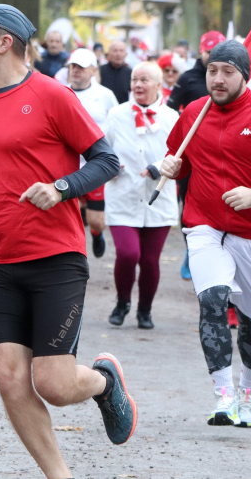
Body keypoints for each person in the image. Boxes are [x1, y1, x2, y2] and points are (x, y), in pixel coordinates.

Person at [0, 4, 137, 479]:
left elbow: (105, 161)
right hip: (0, 264)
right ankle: (60, 476)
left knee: (53, 384)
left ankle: (103, 382)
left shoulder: (52, 96)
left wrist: (61, 188)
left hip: (57, 260)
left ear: (4, 42)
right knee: (9, 379)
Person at [160, 40, 251, 427]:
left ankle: (249, 390)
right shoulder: (193, 112)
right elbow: (179, 158)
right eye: (212, 71)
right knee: (212, 301)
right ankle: (223, 395)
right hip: (204, 224)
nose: (218, 79)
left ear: (245, 75)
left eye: (227, 72)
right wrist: (173, 167)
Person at [104, 62, 179, 329]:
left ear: (158, 86)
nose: (138, 85)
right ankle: (122, 301)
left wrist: (158, 168)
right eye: (135, 79)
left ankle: (144, 310)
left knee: (149, 260)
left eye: (144, 80)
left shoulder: (172, 118)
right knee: (128, 254)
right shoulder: (116, 115)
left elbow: (180, 155)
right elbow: (101, 149)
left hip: (158, 199)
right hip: (122, 195)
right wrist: (109, 166)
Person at [166, 30, 225, 283]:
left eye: (216, 52)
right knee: (187, 205)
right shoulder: (188, 78)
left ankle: (212, 252)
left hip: (220, 154)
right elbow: (168, 110)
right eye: (208, 52)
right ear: (200, 51)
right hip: (191, 153)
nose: (211, 56)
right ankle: (192, 249)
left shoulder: (230, 80)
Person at [67, 48, 119, 258]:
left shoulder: (105, 96)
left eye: (81, 67)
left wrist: (116, 160)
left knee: (96, 219)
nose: (76, 71)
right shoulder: (59, 91)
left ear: (93, 70)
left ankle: (97, 234)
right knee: (66, 214)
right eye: (73, 66)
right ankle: (72, 253)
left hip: (96, 164)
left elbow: (117, 127)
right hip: (66, 164)